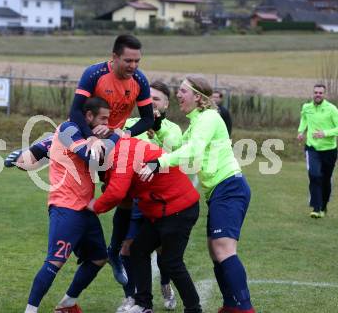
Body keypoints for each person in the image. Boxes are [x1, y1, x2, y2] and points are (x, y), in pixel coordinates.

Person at [139, 76, 255, 313]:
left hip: (229, 187)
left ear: (198, 97)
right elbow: (181, 148)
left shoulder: (209, 118)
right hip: (219, 190)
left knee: (223, 248)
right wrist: (159, 129)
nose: (178, 95)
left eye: (182, 91)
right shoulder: (197, 121)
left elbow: (192, 150)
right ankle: (231, 305)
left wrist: (156, 162)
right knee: (216, 250)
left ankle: (243, 308)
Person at [13, 97, 120, 313]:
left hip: (85, 208)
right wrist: (116, 136)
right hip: (66, 207)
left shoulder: (84, 133)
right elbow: (90, 156)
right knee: (55, 262)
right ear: (88, 116)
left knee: (98, 257)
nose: (106, 123)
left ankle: (67, 303)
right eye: (102, 118)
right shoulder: (68, 128)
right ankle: (30, 310)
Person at [69, 33, 154, 286]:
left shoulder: (139, 80)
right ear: (114, 57)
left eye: (137, 61)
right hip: (89, 139)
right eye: (128, 60)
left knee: (125, 198)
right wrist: (90, 139)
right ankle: (81, 247)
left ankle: (114, 252)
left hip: (116, 144)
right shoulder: (94, 74)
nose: (134, 66)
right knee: (78, 194)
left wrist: (121, 133)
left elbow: (148, 119)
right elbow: (75, 111)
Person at [112, 81, 183, 312]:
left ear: (166, 104)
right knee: (127, 249)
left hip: (161, 199)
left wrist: (157, 131)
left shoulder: (172, 129)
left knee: (163, 250)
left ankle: (165, 283)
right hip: (134, 199)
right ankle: (131, 296)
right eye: (148, 98)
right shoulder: (131, 125)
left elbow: (173, 158)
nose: (152, 102)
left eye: (157, 99)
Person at [297, 84, 338, 218]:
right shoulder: (306, 107)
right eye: (316, 92)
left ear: (324, 95)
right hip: (312, 148)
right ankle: (316, 207)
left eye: (320, 93)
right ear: (313, 93)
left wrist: (325, 133)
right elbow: (304, 119)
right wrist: (301, 131)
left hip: (329, 150)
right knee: (314, 175)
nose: (318, 95)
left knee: (325, 179)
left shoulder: (332, 109)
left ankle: (324, 205)